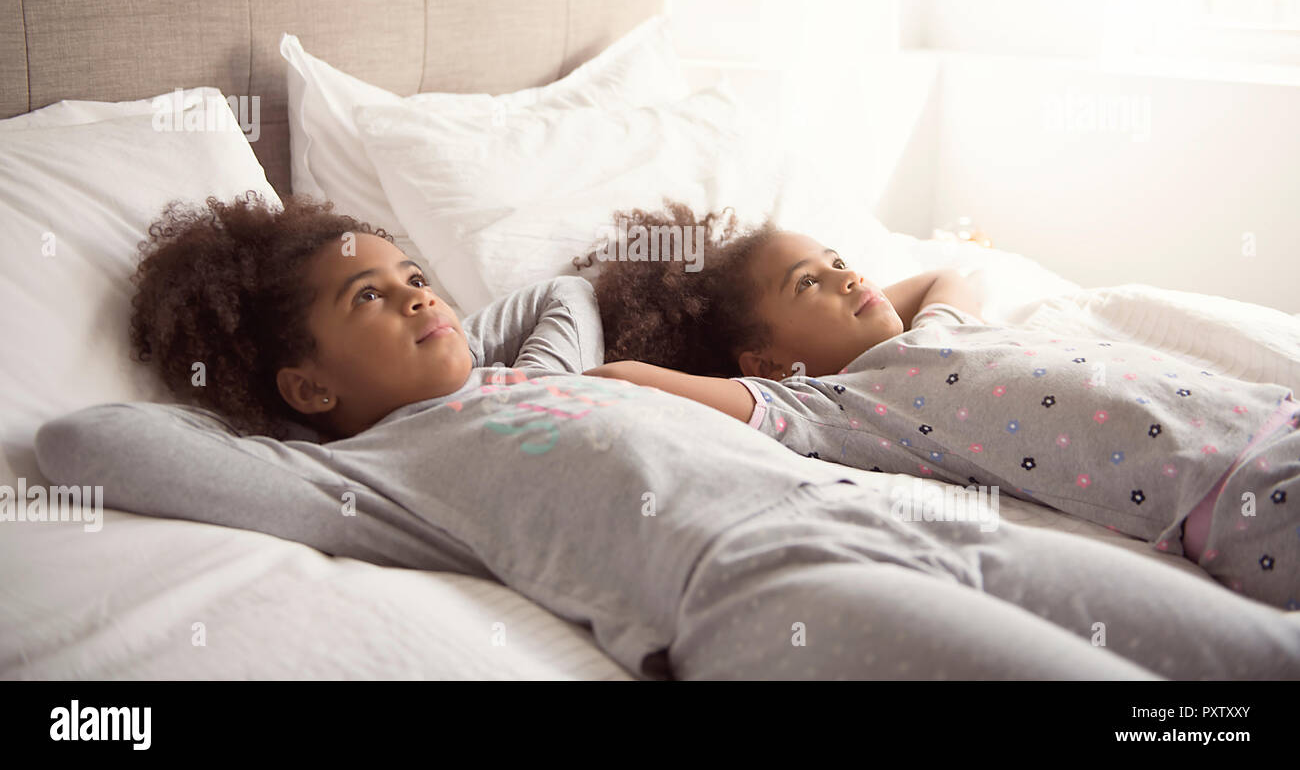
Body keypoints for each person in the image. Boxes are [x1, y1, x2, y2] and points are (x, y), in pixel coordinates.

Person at [56, 191, 1300, 680]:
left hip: (913, 522)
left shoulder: (533, 369)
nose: (419, 295)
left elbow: (560, 300)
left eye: (418, 271)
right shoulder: (356, 474)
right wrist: (277, 399)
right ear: (307, 384)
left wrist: (435, 319)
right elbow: (88, 441)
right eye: (368, 299)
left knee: (1253, 660)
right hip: (772, 589)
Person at [580, 203, 1300, 613]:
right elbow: (623, 377)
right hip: (1232, 493)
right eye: (809, 283)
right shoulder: (837, 406)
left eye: (839, 261)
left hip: (1268, 413)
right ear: (763, 365)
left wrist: (854, 306)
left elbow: (944, 274)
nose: (846, 275)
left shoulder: (936, 331)